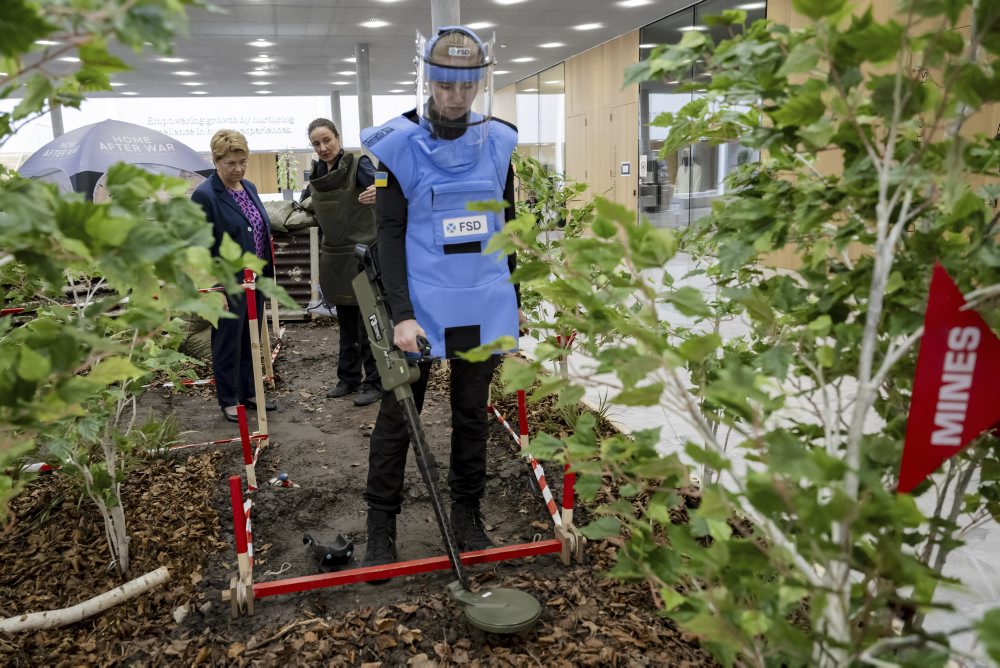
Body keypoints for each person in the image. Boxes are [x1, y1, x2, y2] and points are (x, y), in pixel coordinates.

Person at [359, 25, 523, 572]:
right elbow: (388, 235)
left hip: (480, 301)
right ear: (428, 80)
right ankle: (380, 525)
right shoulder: (398, 147)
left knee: (471, 414)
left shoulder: (497, 142)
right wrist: (400, 315)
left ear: (479, 83)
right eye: (446, 84)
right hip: (421, 308)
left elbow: (507, 230)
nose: (456, 96)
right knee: (399, 416)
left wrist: (512, 304)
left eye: (467, 85)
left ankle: (467, 513)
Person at [191, 129, 275, 422]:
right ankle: (228, 399)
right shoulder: (205, 196)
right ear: (216, 161)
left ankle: (248, 391)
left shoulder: (248, 187)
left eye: (243, 161)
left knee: (248, 339)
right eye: (231, 163)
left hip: (256, 280)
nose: (238, 168)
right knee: (227, 341)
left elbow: (258, 229)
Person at [302, 118, 382, 407]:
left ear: (338, 137)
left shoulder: (360, 165)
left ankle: (375, 381)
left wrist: (380, 191)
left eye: (327, 140)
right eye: (316, 143)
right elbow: (306, 203)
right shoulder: (317, 173)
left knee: (368, 322)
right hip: (334, 257)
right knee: (345, 322)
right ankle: (348, 378)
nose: (323, 148)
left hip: (362, 255)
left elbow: (385, 184)